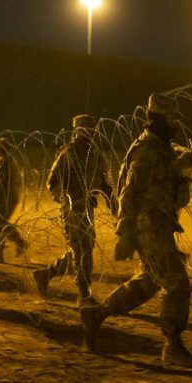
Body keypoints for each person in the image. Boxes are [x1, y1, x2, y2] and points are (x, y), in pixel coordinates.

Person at [79, 93, 192, 368]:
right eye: (171, 118)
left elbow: (167, 185)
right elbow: (130, 192)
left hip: (159, 224)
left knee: (150, 281)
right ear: (157, 120)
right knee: (177, 282)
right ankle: (173, 346)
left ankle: (97, 314)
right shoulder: (147, 150)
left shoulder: (162, 148)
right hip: (147, 226)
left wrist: (181, 168)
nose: (176, 124)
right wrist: (125, 232)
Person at [32, 114, 113, 307]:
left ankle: (47, 273)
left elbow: (101, 182)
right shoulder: (68, 152)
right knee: (83, 249)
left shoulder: (94, 154)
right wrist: (66, 201)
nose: (90, 133)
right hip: (72, 210)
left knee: (83, 247)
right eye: (86, 129)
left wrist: (112, 201)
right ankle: (84, 294)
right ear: (77, 130)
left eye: (92, 129)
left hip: (87, 209)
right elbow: (52, 182)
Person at [0, 137, 27, 263]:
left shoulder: (4, 163)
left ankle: (18, 243)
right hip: (9, 197)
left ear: (2, 150)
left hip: (6, 198)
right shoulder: (7, 161)